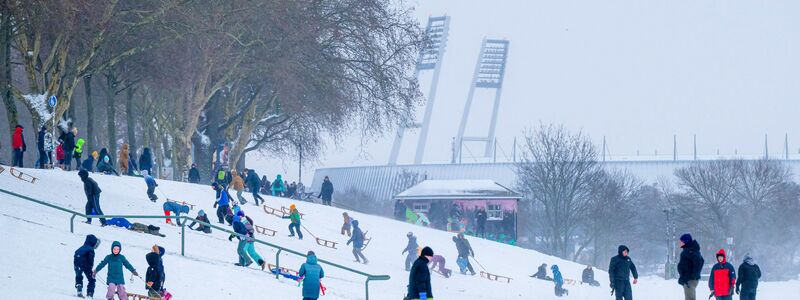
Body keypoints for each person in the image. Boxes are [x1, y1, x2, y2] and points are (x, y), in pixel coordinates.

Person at [678, 233, 705, 300]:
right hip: (687, 279)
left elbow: (699, 260)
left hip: (689, 279)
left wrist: (694, 274)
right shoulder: (689, 250)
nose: (679, 242)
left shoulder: (689, 251)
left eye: (681, 241)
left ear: (685, 241)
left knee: (690, 298)